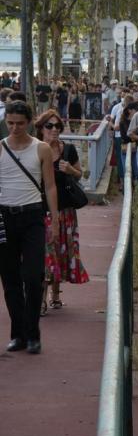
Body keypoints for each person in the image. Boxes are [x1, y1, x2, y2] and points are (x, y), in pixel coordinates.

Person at [0, 101, 59, 354]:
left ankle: (33, 334)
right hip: (4, 217)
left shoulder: (42, 149)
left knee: (33, 277)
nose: (14, 128)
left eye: (20, 123)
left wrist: (54, 220)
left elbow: (50, 186)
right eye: (10, 123)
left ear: (29, 122)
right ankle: (18, 334)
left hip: (33, 216)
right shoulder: (0, 148)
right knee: (10, 279)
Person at [37, 110, 88, 313]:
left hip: (65, 210)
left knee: (62, 252)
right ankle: (40, 299)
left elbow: (79, 175)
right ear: (41, 128)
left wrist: (70, 171)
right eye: (49, 126)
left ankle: (56, 295)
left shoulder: (68, 150)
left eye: (58, 126)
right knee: (46, 254)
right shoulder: (35, 150)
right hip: (43, 210)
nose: (54, 130)